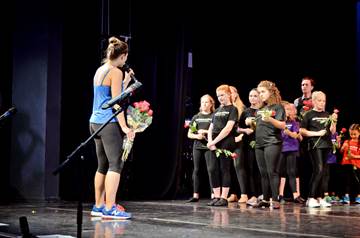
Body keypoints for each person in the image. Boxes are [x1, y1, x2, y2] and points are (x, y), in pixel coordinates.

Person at [89, 36, 134, 219]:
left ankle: (98, 206)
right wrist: (124, 126)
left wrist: (125, 83)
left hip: (95, 122)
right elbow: (116, 103)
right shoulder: (115, 71)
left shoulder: (101, 69)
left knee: (102, 165)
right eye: (126, 57)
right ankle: (110, 208)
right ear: (122, 56)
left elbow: (109, 95)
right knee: (116, 164)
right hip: (109, 123)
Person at [299, 91, 337, 208]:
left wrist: (334, 121)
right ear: (314, 101)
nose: (322, 103)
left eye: (324, 101)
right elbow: (302, 131)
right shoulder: (309, 114)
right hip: (315, 145)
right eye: (319, 100)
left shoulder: (327, 114)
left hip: (326, 145)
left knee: (323, 171)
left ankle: (319, 198)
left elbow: (332, 131)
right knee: (318, 170)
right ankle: (311, 198)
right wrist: (316, 133)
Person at [254, 80, 286, 209]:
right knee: (263, 173)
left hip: (272, 142)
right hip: (259, 143)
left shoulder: (278, 107)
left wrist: (270, 119)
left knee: (272, 171)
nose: (260, 94)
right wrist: (251, 122)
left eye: (263, 92)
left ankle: (275, 199)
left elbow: (282, 125)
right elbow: (259, 126)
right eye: (259, 92)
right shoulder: (261, 108)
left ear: (270, 92)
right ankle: (265, 199)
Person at [207, 84, 238, 206]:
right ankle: (216, 196)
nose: (220, 98)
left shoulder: (233, 109)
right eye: (218, 96)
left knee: (224, 168)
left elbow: (228, 128)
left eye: (222, 95)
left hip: (225, 141)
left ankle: (224, 197)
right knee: (213, 169)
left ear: (229, 94)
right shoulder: (216, 111)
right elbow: (211, 127)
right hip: (213, 142)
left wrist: (214, 142)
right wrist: (210, 142)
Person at [186, 94, 215, 202]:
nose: (204, 104)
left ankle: (214, 195)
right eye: (202, 102)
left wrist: (206, 132)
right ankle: (195, 195)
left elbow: (216, 132)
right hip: (198, 146)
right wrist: (197, 136)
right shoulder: (196, 117)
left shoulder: (214, 116)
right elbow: (189, 134)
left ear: (211, 103)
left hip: (209, 146)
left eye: (206, 102)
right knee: (197, 170)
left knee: (211, 170)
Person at [278, 102, 305, 204]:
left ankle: (295, 195)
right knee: (281, 172)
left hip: (292, 149)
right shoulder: (279, 122)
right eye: (286, 109)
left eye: (289, 109)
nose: (287, 111)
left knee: (292, 171)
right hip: (281, 149)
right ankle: (280, 195)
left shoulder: (294, 123)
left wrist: (288, 132)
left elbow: (295, 135)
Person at [241, 88, 263, 206]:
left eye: (255, 95)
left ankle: (263, 194)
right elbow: (237, 128)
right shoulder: (246, 112)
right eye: (250, 96)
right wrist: (245, 130)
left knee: (262, 170)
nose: (252, 98)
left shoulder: (264, 111)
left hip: (262, 144)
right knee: (251, 169)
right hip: (249, 144)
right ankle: (253, 195)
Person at [227, 86, 247, 204]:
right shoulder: (224, 108)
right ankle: (233, 194)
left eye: (232, 92)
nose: (230, 94)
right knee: (229, 168)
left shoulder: (242, 108)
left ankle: (244, 194)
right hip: (228, 141)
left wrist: (241, 136)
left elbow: (246, 127)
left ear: (236, 94)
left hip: (239, 140)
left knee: (239, 166)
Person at [339, 123, 360, 204]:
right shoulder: (347, 141)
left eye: (355, 134)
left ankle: (358, 197)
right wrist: (343, 147)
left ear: (359, 133)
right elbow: (341, 151)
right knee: (346, 181)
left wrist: (354, 156)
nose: (353, 136)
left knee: (357, 181)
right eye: (351, 134)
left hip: (357, 165)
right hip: (347, 164)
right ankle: (346, 196)